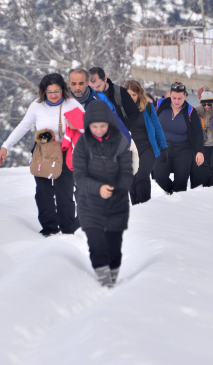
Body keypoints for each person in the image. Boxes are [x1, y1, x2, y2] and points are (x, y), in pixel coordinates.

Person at [0, 73, 84, 236]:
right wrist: (6, 146)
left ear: (63, 89)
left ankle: (67, 227)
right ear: (43, 92)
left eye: (56, 91)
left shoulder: (71, 104)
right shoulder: (37, 106)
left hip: (65, 153)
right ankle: (49, 228)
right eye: (49, 92)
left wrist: (77, 126)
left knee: (64, 192)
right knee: (43, 192)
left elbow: (88, 127)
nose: (53, 95)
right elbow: (23, 127)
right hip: (43, 153)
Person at [73, 99, 133, 287]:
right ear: (88, 125)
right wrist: (98, 189)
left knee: (114, 249)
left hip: (117, 202)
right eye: (94, 126)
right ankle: (104, 285)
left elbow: (126, 173)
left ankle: (113, 281)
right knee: (97, 245)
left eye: (102, 126)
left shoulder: (121, 143)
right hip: (89, 203)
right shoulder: (82, 144)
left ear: (109, 124)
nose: (98, 130)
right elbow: (79, 177)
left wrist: (117, 189)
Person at [154, 82, 204, 194]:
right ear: (170, 95)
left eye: (180, 98)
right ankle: (172, 194)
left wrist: (200, 151)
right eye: (174, 98)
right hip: (163, 147)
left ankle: (178, 204)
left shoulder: (191, 111)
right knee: (159, 177)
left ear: (185, 95)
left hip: (183, 150)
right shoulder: (160, 104)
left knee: (181, 184)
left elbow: (198, 133)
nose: (176, 101)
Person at [123, 79, 168, 205]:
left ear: (139, 94)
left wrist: (163, 146)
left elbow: (157, 126)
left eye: (134, 95)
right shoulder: (120, 108)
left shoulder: (147, 107)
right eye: (128, 94)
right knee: (132, 181)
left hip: (147, 148)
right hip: (130, 150)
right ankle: (137, 207)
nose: (131, 98)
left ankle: (146, 207)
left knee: (141, 177)